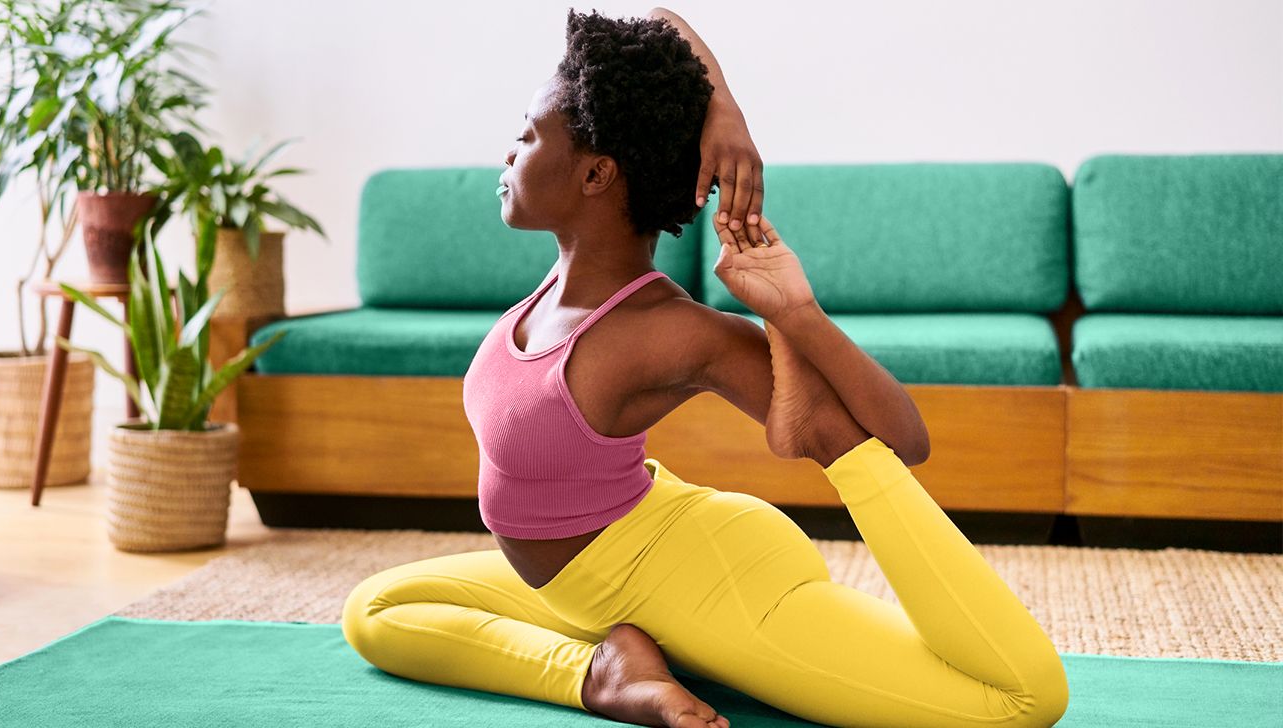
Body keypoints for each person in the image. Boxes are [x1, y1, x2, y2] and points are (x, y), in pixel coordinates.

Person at [341, 8, 1069, 728]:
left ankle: (607, 666)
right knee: (374, 610)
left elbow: (903, 440)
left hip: (705, 581)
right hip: (586, 578)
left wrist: (795, 316)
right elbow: (660, 17)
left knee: (1018, 701)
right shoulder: (554, 290)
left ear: (596, 173)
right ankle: (603, 667)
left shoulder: (668, 330)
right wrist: (727, 112)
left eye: (527, 136)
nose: (508, 154)